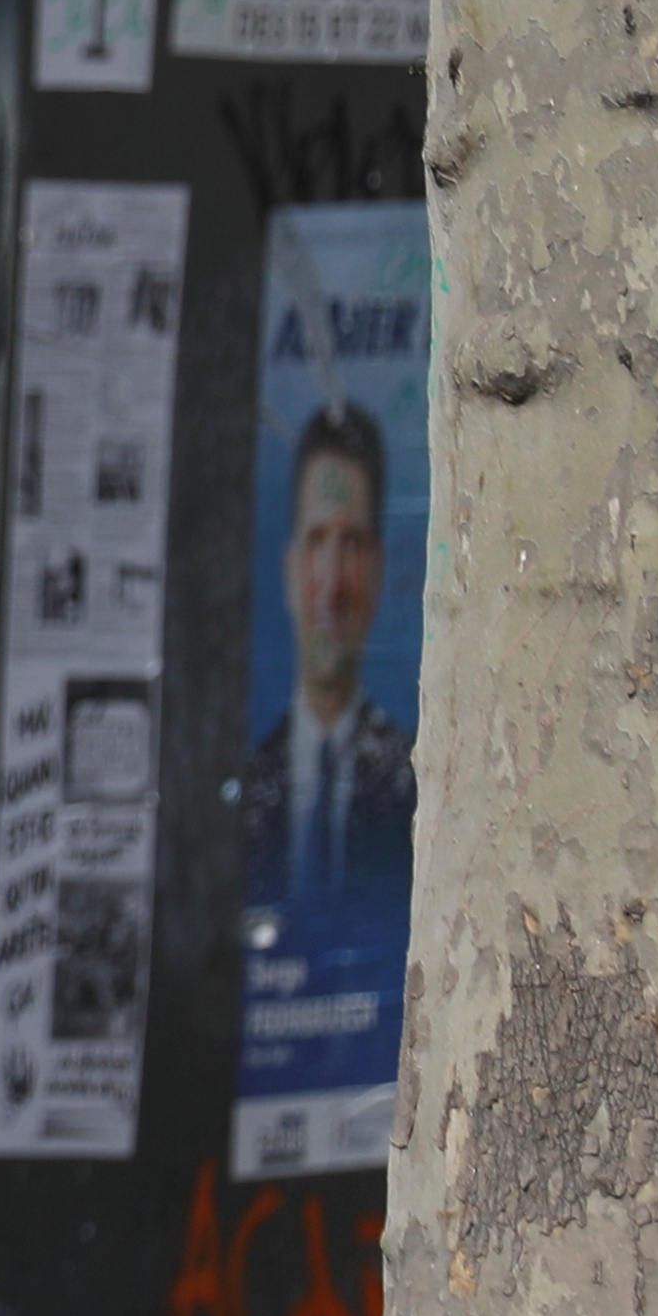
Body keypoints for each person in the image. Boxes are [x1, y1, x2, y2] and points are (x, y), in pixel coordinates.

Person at [239, 400, 414, 935]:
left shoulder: (414, 783)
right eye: (317, 542)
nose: (333, 584)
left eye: (353, 544)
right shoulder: (246, 787)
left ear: (379, 572)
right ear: (290, 569)